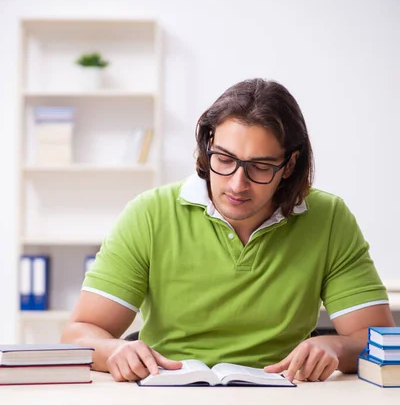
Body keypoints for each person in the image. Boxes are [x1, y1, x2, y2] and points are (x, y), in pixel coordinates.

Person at [61, 78, 394, 383]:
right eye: (224, 159)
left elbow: (378, 338)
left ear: (289, 165)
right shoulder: (149, 213)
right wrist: (114, 351)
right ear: (208, 144)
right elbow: (79, 332)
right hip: (166, 397)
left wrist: (336, 348)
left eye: (260, 167)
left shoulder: (328, 218)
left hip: (284, 404)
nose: (237, 184)